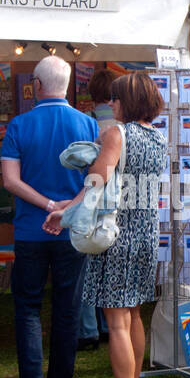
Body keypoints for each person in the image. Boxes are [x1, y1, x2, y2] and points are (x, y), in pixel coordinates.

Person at [45, 72, 166, 378]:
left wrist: (64, 211)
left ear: (127, 101)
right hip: (145, 230)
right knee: (133, 315)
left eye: (114, 98)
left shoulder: (116, 134)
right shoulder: (157, 138)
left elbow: (97, 182)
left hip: (116, 232)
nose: (110, 104)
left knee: (116, 321)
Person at [0, 55, 99, 378]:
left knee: (27, 305)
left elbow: (10, 181)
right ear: (68, 85)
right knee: (68, 302)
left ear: (36, 87)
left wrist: (47, 206)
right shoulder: (88, 125)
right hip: (72, 230)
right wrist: (67, 207)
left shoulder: (18, 126)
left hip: (31, 230)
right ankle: (61, 375)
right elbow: (97, 180)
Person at [77, 67, 118, 351]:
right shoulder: (122, 123)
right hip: (118, 197)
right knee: (110, 265)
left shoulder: (91, 122)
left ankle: (88, 329)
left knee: (87, 265)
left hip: (92, 197)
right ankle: (107, 325)